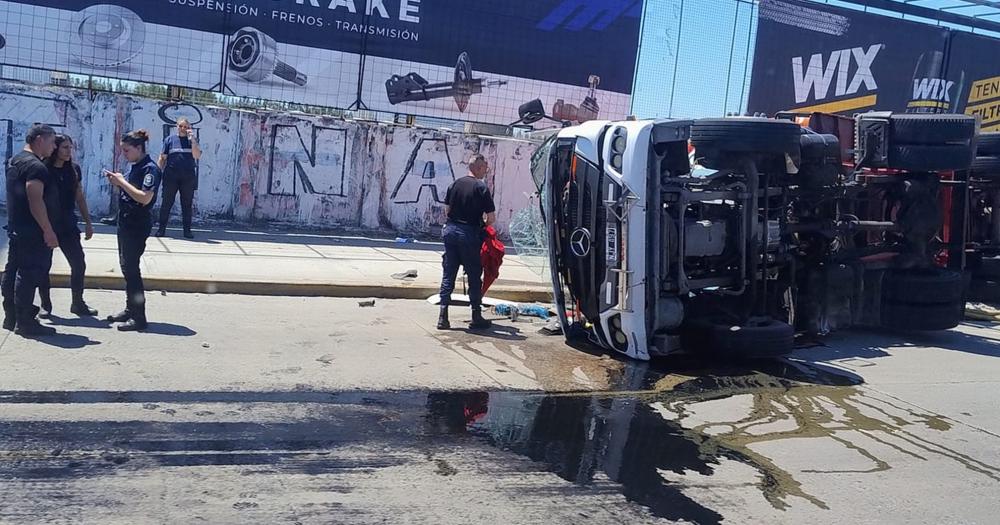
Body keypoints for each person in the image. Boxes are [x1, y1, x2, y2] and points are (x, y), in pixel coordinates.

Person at [1, 124, 59, 336]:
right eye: (52, 142)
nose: (54, 147)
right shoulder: (36, 167)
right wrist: (48, 230)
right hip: (33, 232)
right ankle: (25, 321)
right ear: (40, 140)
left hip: (18, 228)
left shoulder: (16, 160)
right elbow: (35, 199)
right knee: (29, 274)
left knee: (13, 271)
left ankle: (11, 317)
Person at [104, 130, 162, 332]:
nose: (124, 154)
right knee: (126, 267)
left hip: (137, 223)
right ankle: (130, 309)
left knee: (132, 269)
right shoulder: (135, 167)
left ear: (139, 148)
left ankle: (139, 317)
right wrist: (119, 180)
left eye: (127, 150)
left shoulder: (150, 169)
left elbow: (144, 198)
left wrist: (121, 182)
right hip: (126, 221)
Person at [37, 134, 98, 317]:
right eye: (65, 147)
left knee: (79, 264)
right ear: (55, 148)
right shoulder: (43, 170)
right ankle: (45, 305)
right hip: (47, 224)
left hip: (68, 225)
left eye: (70, 148)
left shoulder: (74, 170)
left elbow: (79, 196)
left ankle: (77, 303)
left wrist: (88, 222)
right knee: (43, 266)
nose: (68, 151)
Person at [437, 153, 496, 331]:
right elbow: (491, 218)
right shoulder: (481, 187)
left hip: (450, 231)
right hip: (469, 233)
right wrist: (481, 228)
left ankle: (443, 316)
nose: (486, 170)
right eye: (485, 167)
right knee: (473, 275)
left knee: (449, 273)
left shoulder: (455, 184)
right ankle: (476, 315)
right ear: (478, 167)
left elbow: (447, 211)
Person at [156, 117, 200, 239]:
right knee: (166, 203)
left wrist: (193, 141)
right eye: (181, 126)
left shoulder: (192, 141)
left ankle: (187, 231)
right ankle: (161, 229)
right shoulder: (169, 140)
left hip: (188, 177)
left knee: (187, 204)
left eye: (186, 127)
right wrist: (157, 172)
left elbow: (197, 155)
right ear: (177, 126)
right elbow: (162, 157)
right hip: (171, 176)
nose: (183, 129)